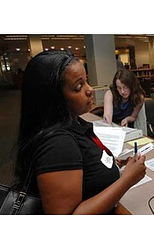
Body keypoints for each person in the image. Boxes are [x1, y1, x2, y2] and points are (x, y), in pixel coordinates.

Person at [14, 50, 146, 214]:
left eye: (86, 81)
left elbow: (84, 160)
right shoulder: (58, 145)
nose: (90, 90)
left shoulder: (75, 121)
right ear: (54, 99)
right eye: (78, 87)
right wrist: (128, 179)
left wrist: (110, 163)